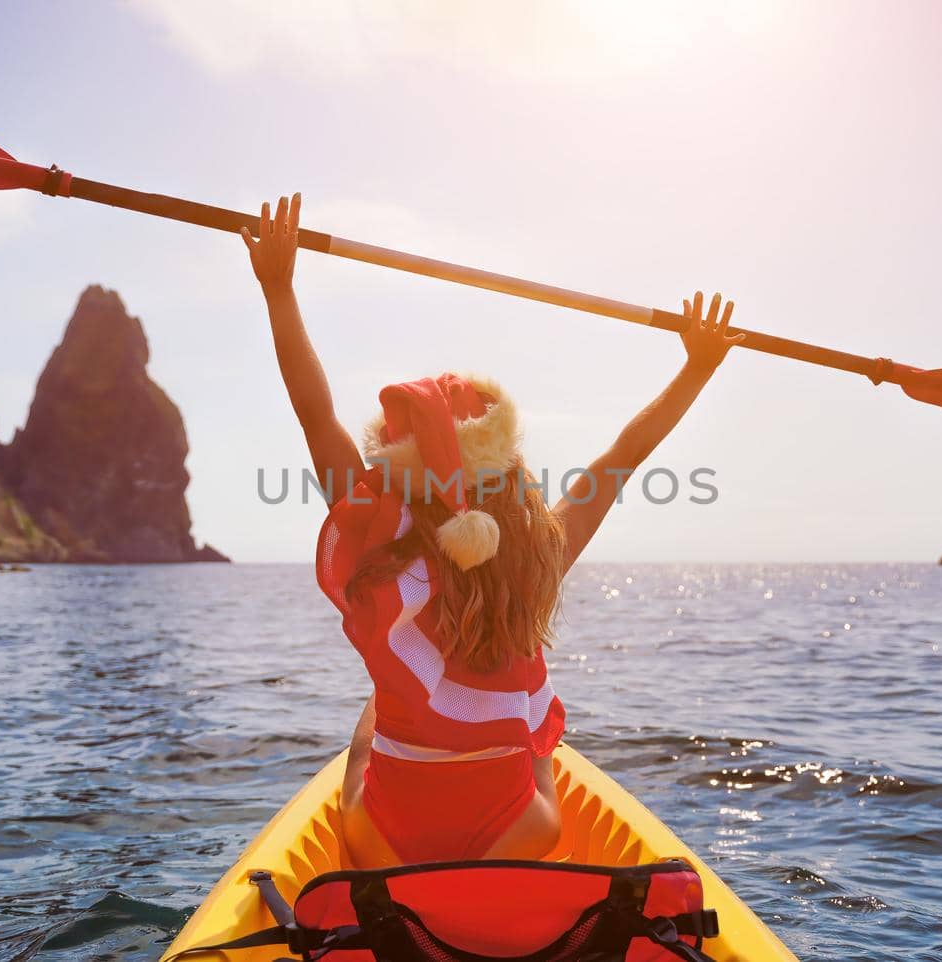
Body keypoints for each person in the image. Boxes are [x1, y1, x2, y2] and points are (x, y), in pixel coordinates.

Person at [242, 193, 744, 866]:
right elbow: (624, 458)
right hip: (518, 832)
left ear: (400, 470)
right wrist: (698, 367)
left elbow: (315, 413)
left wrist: (279, 288)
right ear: (509, 469)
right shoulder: (541, 553)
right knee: (539, 745)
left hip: (385, 838)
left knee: (369, 726)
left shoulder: (378, 555)